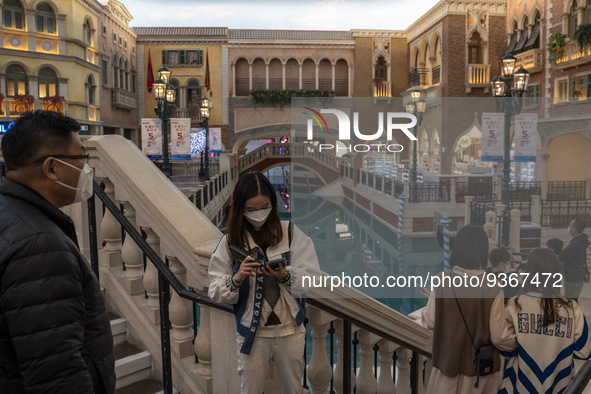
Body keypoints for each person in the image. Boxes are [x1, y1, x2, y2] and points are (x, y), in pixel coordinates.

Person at [0, 111, 115, 393]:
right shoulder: (40, 245)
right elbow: (57, 371)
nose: (86, 169)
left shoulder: (11, 213)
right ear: (51, 168)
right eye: (80, 159)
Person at [208, 172, 321, 394]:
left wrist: (286, 275)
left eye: (265, 206)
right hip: (252, 333)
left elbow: (313, 279)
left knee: (293, 389)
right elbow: (215, 289)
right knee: (250, 389)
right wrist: (237, 277)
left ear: (273, 203)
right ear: (240, 208)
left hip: (290, 330)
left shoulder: (290, 232)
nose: (259, 213)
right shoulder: (230, 242)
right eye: (251, 209)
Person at [421, 225, 514, 393]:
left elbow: (430, 321)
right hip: (479, 372)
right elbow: (499, 337)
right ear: (483, 251)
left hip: (447, 365)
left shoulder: (442, 280)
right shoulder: (493, 287)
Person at [499, 248, 591, 393]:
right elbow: (584, 350)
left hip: (518, 384)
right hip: (560, 385)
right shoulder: (571, 307)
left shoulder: (515, 304)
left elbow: (503, 344)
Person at [560, 218, 590, 302]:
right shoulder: (580, 241)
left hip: (572, 277)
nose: (568, 228)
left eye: (570, 226)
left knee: (569, 303)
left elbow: (562, 255)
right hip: (577, 276)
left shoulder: (575, 244)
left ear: (575, 229)